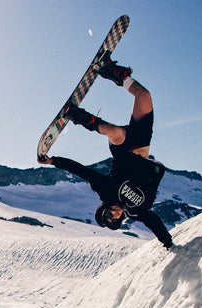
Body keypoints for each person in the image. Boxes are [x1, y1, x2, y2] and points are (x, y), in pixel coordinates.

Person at [39, 54, 173, 249]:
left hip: (123, 152)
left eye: (108, 214)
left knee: (115, 132)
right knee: (144, 96)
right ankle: (112, 73)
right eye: (115, 219)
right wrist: (169, 244)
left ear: (104, 208)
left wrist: (53, 161)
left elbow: (83, 172)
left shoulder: (106, 191)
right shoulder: (138, 211)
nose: (114, 214)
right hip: (142, 145)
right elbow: (155, 223)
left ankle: (76, 115)